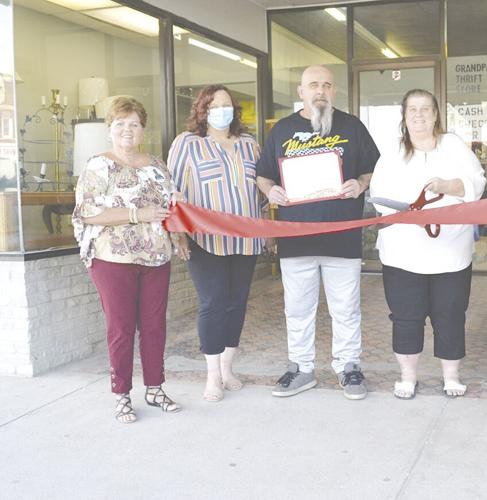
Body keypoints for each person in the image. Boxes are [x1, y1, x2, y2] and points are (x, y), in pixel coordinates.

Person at [257, 65, 380, 400]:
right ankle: (301, 368)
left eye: (327, 85)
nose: (320, 91)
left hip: (342, 237)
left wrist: (360, 183)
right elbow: (264, 174)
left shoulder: (352, 126)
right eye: (313, 85)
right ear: (301, 91)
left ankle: (349, 367)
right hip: (296, 238)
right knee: (297, 308)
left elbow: (373, 169)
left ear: (334, 91)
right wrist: (270, 192)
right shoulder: (283, 129)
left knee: (346, 308)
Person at [73, 97, 187, 423]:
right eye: (120, 124)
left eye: (133, 124)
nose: (127, 130)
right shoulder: (98, 166)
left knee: (154, 327)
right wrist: (139, 213)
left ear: (142, 130)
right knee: (121, 328)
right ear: (110, 129)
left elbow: (169, 206)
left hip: (155, 258)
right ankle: (121, 394)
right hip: (112, 258)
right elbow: (88, 213)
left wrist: (178, 237)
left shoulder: (156, 164)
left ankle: (155, 388)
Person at [370, 89, 485, 399]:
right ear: (404, 118)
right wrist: (407, 212)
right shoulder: (393, 152)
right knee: (406, 315)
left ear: (436, 114)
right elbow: (379, 195)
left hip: (451, 251)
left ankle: (451, 377)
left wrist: (447, 185)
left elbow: (477, 181)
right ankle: (407, 377)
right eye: (412, 110)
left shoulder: (453, 146)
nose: (419, 115)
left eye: (425, 109)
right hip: (402, 252)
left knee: (450, 313)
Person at [168, 85, 263, 403]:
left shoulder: (250, 145)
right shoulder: (188, 144)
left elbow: (261, 192)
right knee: (213, 303)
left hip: (246, 239)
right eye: (214, 105)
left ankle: (227, 369)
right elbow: (173, 191)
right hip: (205, 240)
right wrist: (177, 233)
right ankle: (211, 377)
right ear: (202, 110)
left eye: (227, 105)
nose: (221, 111)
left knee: (237, 303)